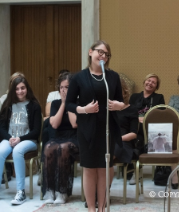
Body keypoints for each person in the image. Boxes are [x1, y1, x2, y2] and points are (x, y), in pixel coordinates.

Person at [66, 40, 124, 212]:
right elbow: (69, 103)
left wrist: (119, 106)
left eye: (106, 54)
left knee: (104, 169)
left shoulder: (112, 77)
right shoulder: (78, 77)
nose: (103, 56)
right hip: (87, 130)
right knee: (90, 168)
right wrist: (83, 109)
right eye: (100, 52)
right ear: (91, 52)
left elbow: (121, 100)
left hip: (108, 129)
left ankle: (102, 208)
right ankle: (91, 208)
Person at [0, 76, 42, 205]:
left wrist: (20, 139)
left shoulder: (34, 106)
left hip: (28, 141)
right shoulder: (8, 105)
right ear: (13, 90)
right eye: (17, 89)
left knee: (18, 151)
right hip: (10, 139)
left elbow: (36, 131)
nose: (20, 91)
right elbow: (1, 127)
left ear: (27, 88)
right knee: (0, 151)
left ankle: (21, 192)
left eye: (22, 88)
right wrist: (9, 138)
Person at [42, 72, 79, 204]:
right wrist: (63, 103)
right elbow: (54, 124)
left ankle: (62, 192)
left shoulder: (77, 103)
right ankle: (50, 190)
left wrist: (69, 103)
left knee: (63, 148)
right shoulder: (55, 104)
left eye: (67, 87)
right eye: (62, 87)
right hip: (58, 136)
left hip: (74, 137)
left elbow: (75, 124)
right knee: (48, 148)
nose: (64, 90)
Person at [128, 73, 165, 184]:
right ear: (144, 82)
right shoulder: (134, 96)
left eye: (154, 82)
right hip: (134, 126)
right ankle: (134, 169)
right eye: (149, 80)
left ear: (156, 86)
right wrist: (137, 119)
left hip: (150, 128)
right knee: (135, 136)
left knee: (139, 137)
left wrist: (145, 119)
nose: (150, 83)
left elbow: (160, 115)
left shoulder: (159, 97)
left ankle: (136, 170)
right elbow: (128, 112)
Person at [114, 79, 138, 164]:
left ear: (125, 92)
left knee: (112, 149)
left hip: (124, 141)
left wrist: (117, 139)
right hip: (107, 139)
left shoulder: (132, 109)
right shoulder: (106, 109)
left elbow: (133, 134)